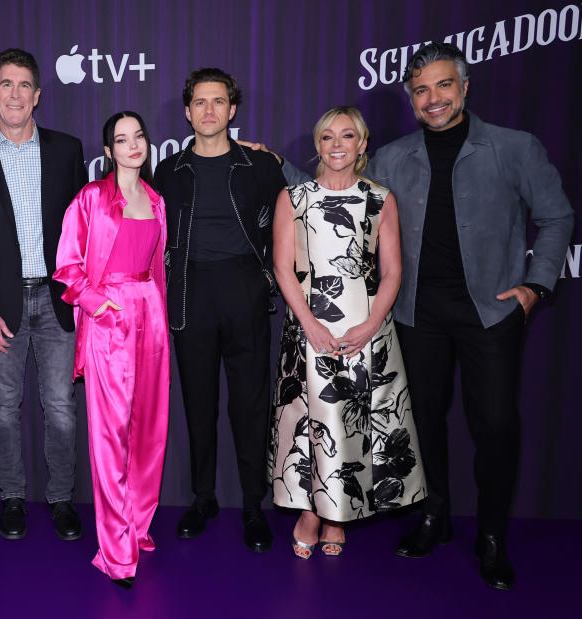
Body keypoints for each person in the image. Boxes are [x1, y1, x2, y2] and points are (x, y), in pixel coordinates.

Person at [369, 43, 573, 590]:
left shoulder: (514, 148)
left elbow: (556, 218)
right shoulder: (391, 157)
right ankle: (434, 515)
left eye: (443, 86)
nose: (433, 99)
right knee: (424, 422)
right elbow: (335, 189)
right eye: (420, 90)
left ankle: (491, 537)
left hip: (491, 313)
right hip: (416, 314)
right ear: (410, 99)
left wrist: (535, 287)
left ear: (464, 87)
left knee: (496, 427)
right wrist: (273, 162)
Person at [268, 106, 426, 559]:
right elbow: (283, 267)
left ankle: (338, 514)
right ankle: (312, 512)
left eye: (347, 136)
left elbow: (393, 270)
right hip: (309, 327)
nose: (337, 145)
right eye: (327, 137)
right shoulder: (293, 198)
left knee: (352, 422)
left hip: (366, 329)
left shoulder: (380, 199)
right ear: (317, 145)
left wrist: (371, 325)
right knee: (313, 425)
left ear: (362, 144)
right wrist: (310, 324)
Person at [153, 68, 285, 553]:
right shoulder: (168, 171)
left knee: (250, 404)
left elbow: (300, 216)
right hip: (189, 296)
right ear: (187, 113)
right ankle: (203, 497)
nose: (209, 111)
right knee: (198, 404)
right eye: (200, 103)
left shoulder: (262, 167)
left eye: (219, 102)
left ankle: (254, 503)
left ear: (233, 109)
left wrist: (272, 276)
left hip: (245, 291)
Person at [0, 48, 88, 541]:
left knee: (60, 406)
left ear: (38, 95)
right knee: (2, 407)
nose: (15, 94)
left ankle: (61, 500)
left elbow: (83, 228)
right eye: (6, 85)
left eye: (24, 85)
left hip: (57, 303)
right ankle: (12, 497)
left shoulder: (66, 150)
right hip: (1, 307)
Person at [54, 112, 169, 588]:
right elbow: (66, 268)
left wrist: (157, 316)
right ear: (108, 151)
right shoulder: (92, 199)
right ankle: (116, 549)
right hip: (110, 322)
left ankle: (138, 524)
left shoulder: (158, 200)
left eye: (138, 136)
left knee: (149, 429)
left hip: (152, 318)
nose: (133, 145)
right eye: (122, 140)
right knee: (111, 435)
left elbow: (158, 267)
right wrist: (101, 306)